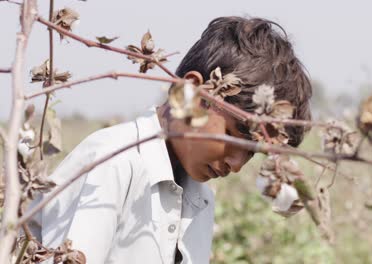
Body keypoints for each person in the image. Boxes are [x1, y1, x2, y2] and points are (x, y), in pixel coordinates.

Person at [30, 16, 313, 263]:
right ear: (189, 95)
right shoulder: (112, 162)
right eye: (233, 137)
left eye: (251, 153)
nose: (237, 164)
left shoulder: (201, 199)